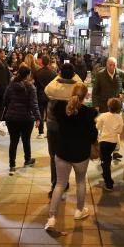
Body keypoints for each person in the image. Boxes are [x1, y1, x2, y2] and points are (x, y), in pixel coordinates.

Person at [45, 83, 98, 231]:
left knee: (60, 184)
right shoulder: (89, 113)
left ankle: (51, 218)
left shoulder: (61, 109)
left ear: (71, 93)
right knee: (81, 182)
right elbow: (93, 135)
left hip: (62, 152)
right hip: (81, 154)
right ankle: (79, 211)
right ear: (86, 96)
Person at [43, 63, 83, 198]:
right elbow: (80, 83)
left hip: (54, 127)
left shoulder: (54, 87)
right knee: (66, 157)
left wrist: (59, 76)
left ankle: (56, 184)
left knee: (54, 157)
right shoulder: (76, 88)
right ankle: (64, 181)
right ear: (73, 74)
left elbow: (46, 89)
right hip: (71, 128)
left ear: (60, 73)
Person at [3, 65, 38, 175]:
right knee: (26, 140)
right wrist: (38, 118)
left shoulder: (11, 85)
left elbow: (5, 100)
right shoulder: (31, 87)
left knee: (13, 142)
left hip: (12, 118)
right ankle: (27, 160)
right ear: (28, 75)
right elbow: (34, 104)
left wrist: (12, 107)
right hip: (26, 118)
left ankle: (12, 165)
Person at [95, 97, 124, 192]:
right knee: (107, 158)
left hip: (103, 141)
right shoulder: (120, 117)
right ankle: (105, 174)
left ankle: (109, 183)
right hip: (113, 142)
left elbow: (97, 126)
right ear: (118, 108)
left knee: (106, 162)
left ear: (108, 106)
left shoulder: (103, 116)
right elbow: (120, 131)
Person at [33, 55, 57, 139]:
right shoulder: (53, 72)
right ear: (49, 62)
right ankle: (49, 132)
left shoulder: (37, 72)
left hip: (40, 94)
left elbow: (35, 84)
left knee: (40, 113)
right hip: (50, 95)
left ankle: (41, 132)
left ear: (42, 62)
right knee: (50, 115)